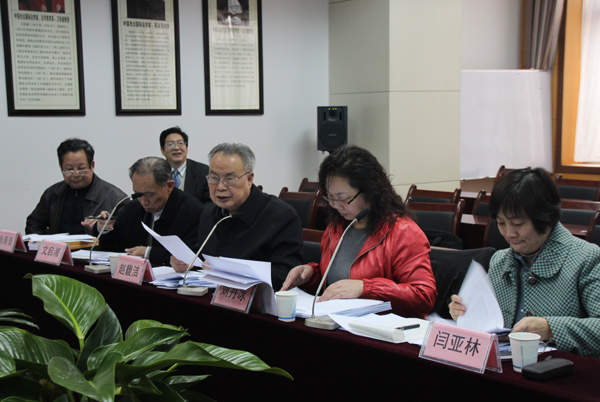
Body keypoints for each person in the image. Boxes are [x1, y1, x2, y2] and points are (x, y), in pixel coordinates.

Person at [449, 168, 600, 357]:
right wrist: (466, 313)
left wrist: (552, 328)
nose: (509, 233)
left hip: (564, 370)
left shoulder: (586, 258)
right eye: (501, 223)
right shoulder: (500, 261)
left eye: (518, 224)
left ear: (544, 217)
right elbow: (493, 325)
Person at [280, 145, 437, 318]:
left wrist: (366, 288)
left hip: (383, 328)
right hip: (339, 323)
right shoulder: (337, 227)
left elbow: (424, 295)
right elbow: (337, 283)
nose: (336, 205)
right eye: (330, 198)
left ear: (369, 191)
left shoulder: (403, 231)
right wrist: (311, 275)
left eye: (344, 199)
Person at [170, 143, 303, 290]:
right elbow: (204, 263)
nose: (220, 187)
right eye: (213, 178)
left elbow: (286, 274)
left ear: (249, 179)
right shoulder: (209, 214)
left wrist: (231, 270)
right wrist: (186, 263)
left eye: (229, 179)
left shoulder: (281, 216)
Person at [96, 157, 203, 266]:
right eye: (137, 194)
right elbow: (114, 247)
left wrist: (149, 253)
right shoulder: (132, 208)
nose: (143, 201)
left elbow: (194, 257)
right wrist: (106, 228)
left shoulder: (192, 212)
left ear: (169, 186)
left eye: (149, 195)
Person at [25, 138, 127, 235]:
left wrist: (103, 229)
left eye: (81, 168)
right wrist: (41, 243)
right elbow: (34, 224)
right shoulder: (53, 193)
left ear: (92, 165)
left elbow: (125, 236)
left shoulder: (116, 198)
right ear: (61, 167)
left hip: (94, 248)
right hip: (60, 247)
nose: (75, 174)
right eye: (69, 169)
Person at [159, 126, 211, 204]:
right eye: (171, 144)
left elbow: (210, 203)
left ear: (186, 148)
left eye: (180, 143)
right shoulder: (156, 172)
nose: (176, 148)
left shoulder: (204, 171)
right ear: (162, 150)